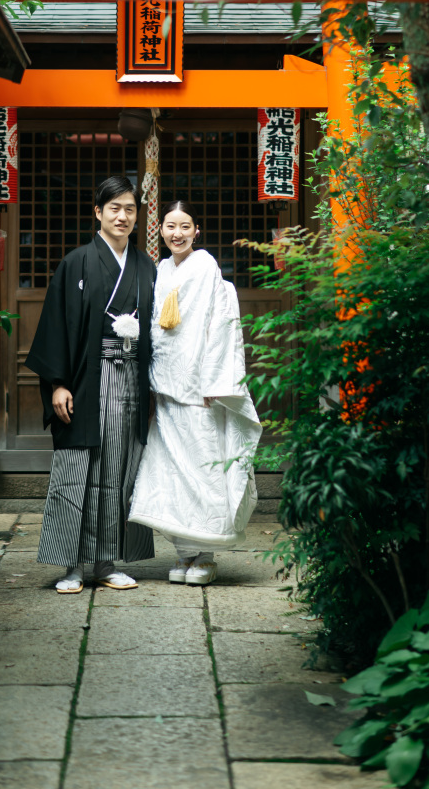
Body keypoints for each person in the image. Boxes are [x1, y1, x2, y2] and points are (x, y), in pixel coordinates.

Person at [26, 175, 157, 594]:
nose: (122, 216)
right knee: (78, 466)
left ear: (137, 216)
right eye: (114, 208)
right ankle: (71, 565)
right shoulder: (77, 262)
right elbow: (57, 327)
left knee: (119, 469)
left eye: (130, 209)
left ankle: (105, 561)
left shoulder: (144, 266)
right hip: (88, 378)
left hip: (131, 379)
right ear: (97, 213)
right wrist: (57, 384)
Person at [128, 201, 262, 586]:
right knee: (171, 471)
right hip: (166, 388)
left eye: (184, 226)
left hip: (200, 386)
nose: (177, 233)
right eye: (170, 226)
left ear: (196, 230)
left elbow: (218, 327)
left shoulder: (206, 267)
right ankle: (184, 554)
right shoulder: (161, 270)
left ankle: (206, 554)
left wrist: (215, 383)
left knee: (203, 466)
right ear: (161, 230)